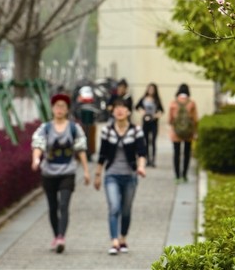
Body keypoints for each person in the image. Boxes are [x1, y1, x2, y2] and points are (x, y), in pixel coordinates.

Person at [31, 92, 90, 254]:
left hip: (67, 172)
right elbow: (38, 144)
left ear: (67, 109)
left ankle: (61, 237)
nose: (59, 109)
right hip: (49, 172)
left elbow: (81, 150)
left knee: (64, 205)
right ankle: (56, 234)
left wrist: (86, 171)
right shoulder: (45, 128)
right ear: (52, 109)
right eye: (57, 106)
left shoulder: (74, 128)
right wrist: (36, 159)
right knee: (52, 206)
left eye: (63, 106)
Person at [94, 98, 147, 255]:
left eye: (123, 107)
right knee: (114, 207)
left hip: (130, 176)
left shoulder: (136, 131)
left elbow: (142, 152)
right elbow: (102, 155)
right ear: (113, 111)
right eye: (117, 107)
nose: (120, 110)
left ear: (129, 111)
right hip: (112, 175)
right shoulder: (107, 131)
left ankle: (123, 237)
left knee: (126, 210)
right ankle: (114, 240)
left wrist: (141, 167)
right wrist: (97, 175)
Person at [168, 83, 198, 183]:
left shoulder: (173, 103)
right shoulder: (191, 103)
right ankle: (184, 175)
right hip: (188, 133)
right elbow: (195, 119)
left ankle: (177, 176)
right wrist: (194, 131)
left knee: (176, 153)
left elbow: (170, 119)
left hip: (176, 132)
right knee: (186, 153)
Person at [135, 83, 164, 167]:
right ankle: (147, 159)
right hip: (145, 122)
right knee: (146, 142)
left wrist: (156, 115)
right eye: (149, 89)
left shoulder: (157, 100)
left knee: (153, 141)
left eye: (152, 89)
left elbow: (161, 110)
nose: (151, 91)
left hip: (154, 122)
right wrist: (142, 112)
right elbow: (137, 107)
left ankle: (153, 160)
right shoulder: (143, 99)